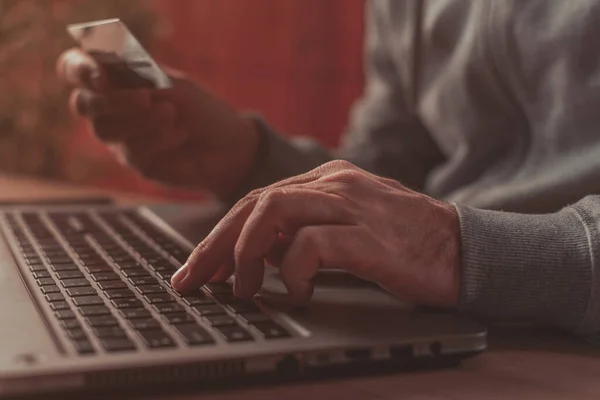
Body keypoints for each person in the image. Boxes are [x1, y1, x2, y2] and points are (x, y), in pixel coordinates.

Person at [57, 0, 600, 343]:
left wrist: (453, 249)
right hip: (441, 324)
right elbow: (394, 167)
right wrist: (248, 158)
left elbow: (430, 231)